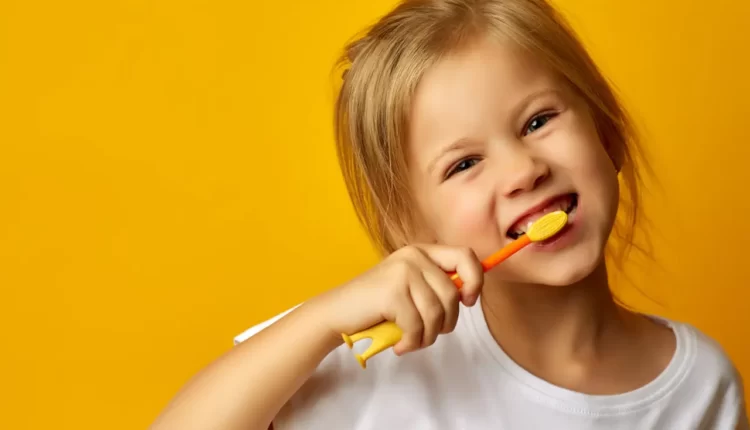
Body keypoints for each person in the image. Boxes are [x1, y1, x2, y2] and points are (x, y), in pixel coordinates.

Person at [151, 0, 748, 428]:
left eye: (539, 121)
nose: (523, 171)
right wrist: (322, 320)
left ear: (607, 135)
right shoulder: (370, 356)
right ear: (412, 229)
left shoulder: (702, 387)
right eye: (463, 164)